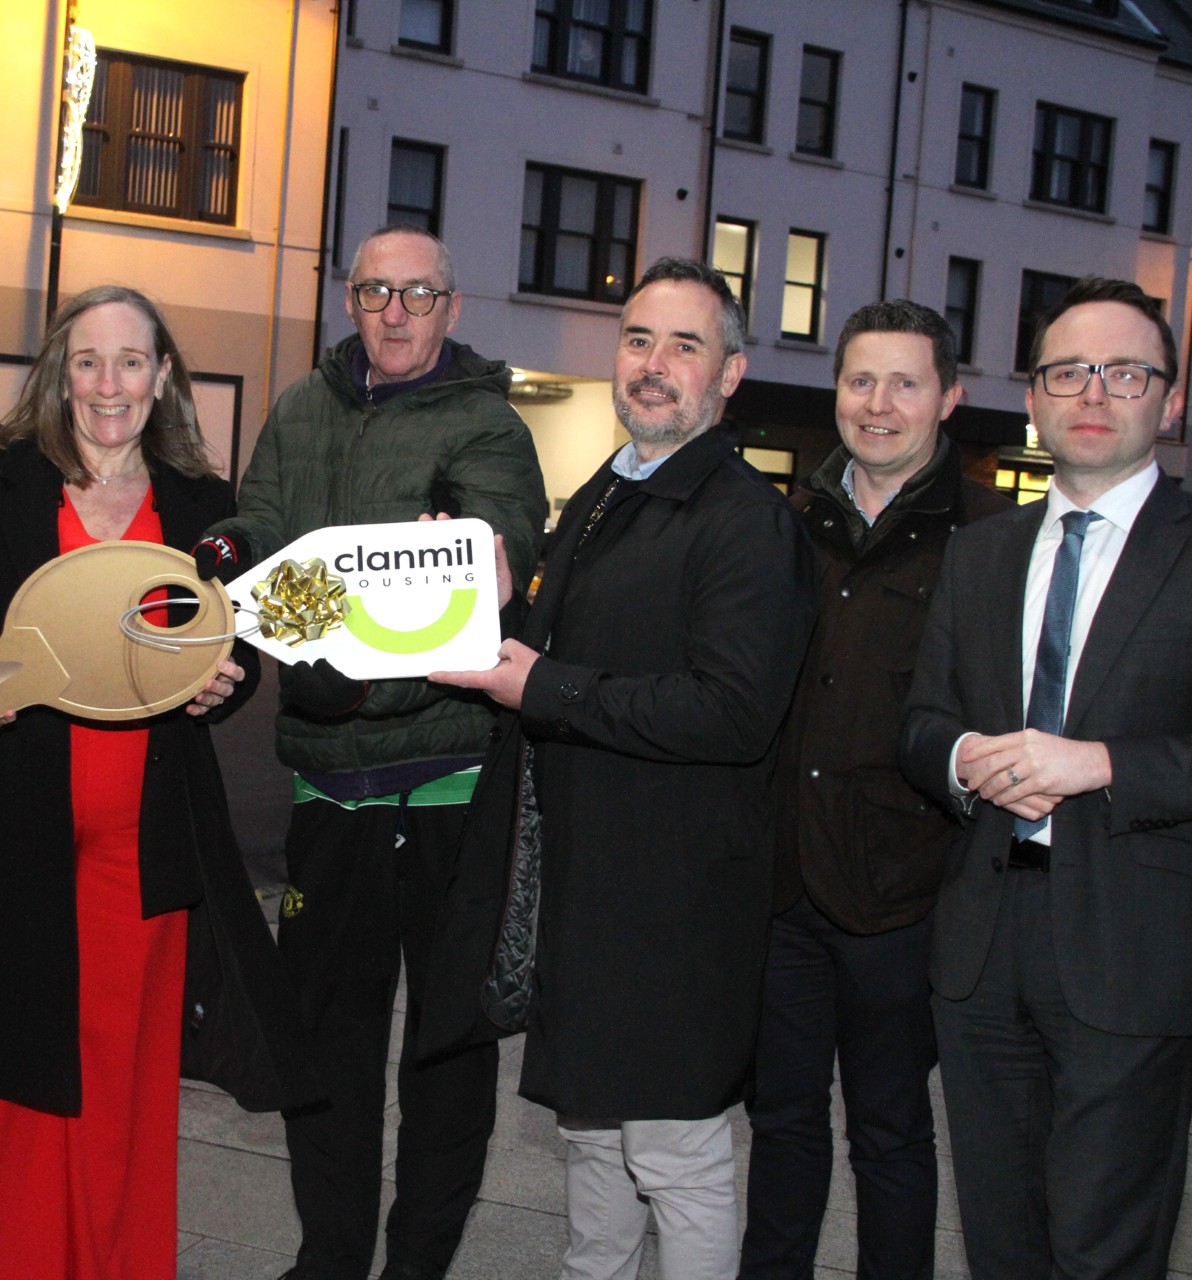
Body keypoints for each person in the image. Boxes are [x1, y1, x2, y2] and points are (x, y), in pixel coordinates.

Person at [0, 285, 314, 1280]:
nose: (107, 384)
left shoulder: (202, 505)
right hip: (5, 843)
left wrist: (224, 682)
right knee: (15, 1092)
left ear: (162, 377)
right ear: (59, 374)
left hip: (139, 853)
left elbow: (230, 649)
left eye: (129, 361)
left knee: (119, 1088)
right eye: (87, 361)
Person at [899, 276, 1192, 1278]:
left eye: (1124, 372)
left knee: (1104, 1246)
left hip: (1135, 949)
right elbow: (921, 724)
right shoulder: (982, 553)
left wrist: (1101, 764)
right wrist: (964, 760)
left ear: (1169, 401)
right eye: (1067, 372)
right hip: (982, 944)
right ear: (1034, 398)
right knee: (1002, 1240)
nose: (1093, 392)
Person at [426, 257, 815, 1280]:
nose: (654, 363)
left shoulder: (744, 518)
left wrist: (546, 684)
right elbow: (570, 651)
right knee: (594, 1136)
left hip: (675, 904)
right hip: (586, 887)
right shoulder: (610, 491)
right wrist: (489, 599)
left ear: (730, 373)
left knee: (676, 1155)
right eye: (639, 339)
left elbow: (734, 712)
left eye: (685, 345)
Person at [195, 224, 547, 1280]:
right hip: (330, 786)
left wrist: (365, 670)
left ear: (451, 306)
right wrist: (232, 553)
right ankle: (331, 1257)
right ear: (349, 300)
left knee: (447, 1050)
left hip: (447, 785)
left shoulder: (487, 422)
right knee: (323, 1044)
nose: (395, 312)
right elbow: (265, 523)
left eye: (418, 294)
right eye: (375, 291)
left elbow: (492, 568)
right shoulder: (301, 407)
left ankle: (418, 1265)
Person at [741, 300, 1010, 1279]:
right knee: (781, 1123)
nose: (879, 404)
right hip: (785, 891)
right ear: (836, 391)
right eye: (861, 380)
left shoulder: (990, 537)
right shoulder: (786, 524)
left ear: (950, 397)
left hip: (905, 899)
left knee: (891, 1134)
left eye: (905, 383)